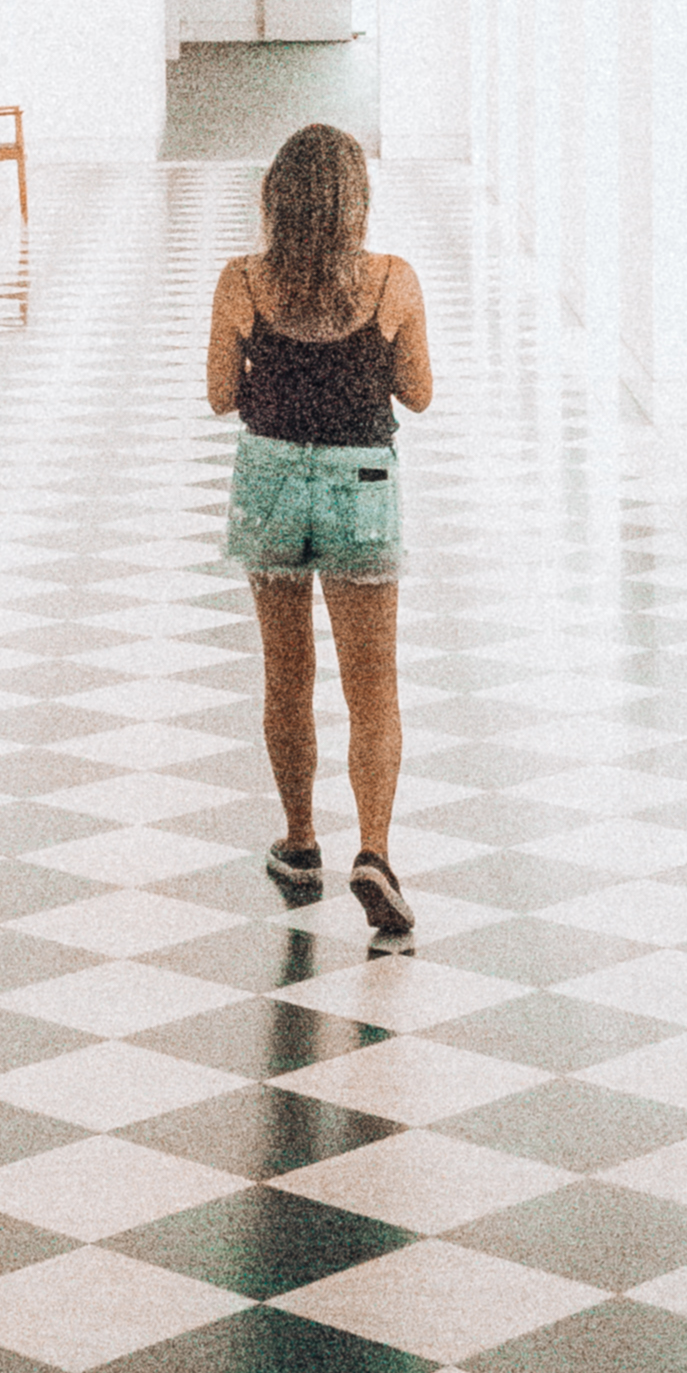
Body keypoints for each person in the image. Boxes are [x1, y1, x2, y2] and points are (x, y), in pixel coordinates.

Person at [208, 122, 431, 943]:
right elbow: (420, 394)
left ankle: (300, 841)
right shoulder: (392, 281)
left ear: (276, 199)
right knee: (373, 686)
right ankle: (374, 852)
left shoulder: (242, 280)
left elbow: (218, 396)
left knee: (287, 673)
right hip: (362, 485)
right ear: (356, 203)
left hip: (270, 482)